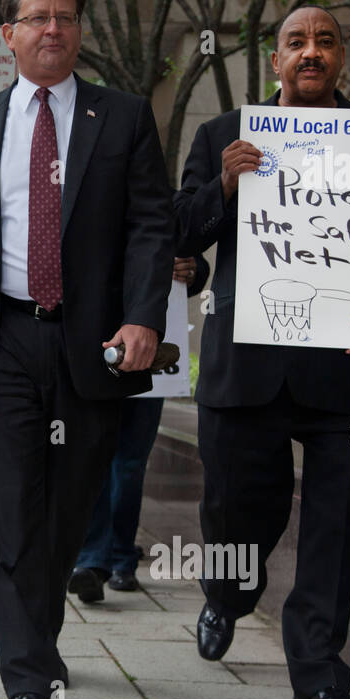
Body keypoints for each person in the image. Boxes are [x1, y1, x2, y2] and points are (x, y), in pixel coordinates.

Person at [174, 6, 350, 699]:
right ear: (276, 60)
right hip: (246, 371)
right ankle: (228, 593)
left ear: (341, 59)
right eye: (297, 42)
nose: (312, 52)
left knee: (334, 523)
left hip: (346, 371)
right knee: (237, 511)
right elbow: (178, 234)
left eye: (326, 42)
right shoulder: (223, 137)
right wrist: (225, 188)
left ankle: (319, 668)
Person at [0, 0, 175, 699]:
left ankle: (37, 643)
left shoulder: (124, 117)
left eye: (66, 18)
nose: (52, 30)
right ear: (6, 34)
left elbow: (150, 225)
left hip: (90, 344)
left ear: (80, 31)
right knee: (8, 512)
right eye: (36, 18)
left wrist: (144, 316)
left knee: (68, 514)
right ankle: (29, 679)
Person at [68, 253, 209, 600]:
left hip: (149, 350)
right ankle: (93, 558)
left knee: (129, 463)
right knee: (93, 456)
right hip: (93, 342)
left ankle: (119, 557)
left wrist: (194, 269)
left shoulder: (158, 203)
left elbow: (189, 236)